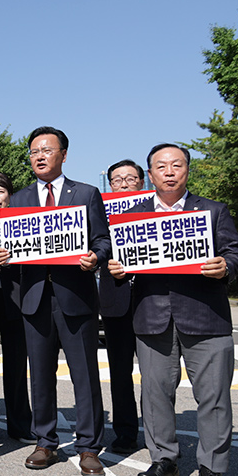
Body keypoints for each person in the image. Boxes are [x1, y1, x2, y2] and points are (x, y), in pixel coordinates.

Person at [108, 144, 238, 476]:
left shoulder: (213, 211)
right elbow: (117, 262)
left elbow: (235, 253)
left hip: (206, 318)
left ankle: (213, 469)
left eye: (177, 165)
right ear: (150, 175)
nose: (169, 171)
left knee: (213, 397)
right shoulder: (132, 217)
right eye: (160, 166)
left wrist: (225, 265)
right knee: (154, 396)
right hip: (152, 317)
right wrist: (118, 270)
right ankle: (163, 460)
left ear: (187, 170)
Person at [7, 126, 110, 476]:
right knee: (40, 375)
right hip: (35, 299)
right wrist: (5, 254)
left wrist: (95, 257)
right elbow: (6, 248)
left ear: (63, 155)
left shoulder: (86, 194)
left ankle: (89, 447)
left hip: (76, 298)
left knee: (84, 375)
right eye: (34, 150)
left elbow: (102, 240)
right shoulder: (18, 201)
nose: (39, 155)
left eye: (47, 150)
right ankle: (45, 442)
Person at [0, 172, 34, 444]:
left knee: (15, 366)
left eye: (0, 191)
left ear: (10, 195)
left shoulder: (23, 224)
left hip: (17, 299)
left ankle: (20, 425)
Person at [99, 159, 144, 454]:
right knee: (120, 373)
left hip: (151, 302)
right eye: (117, 179)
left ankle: (158, 433)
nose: (124, 183)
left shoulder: (155, 211)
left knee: (159, 376)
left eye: (130, 178)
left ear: (142, 182)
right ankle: (126, 432)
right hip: (115, 301)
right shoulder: (99, 213)